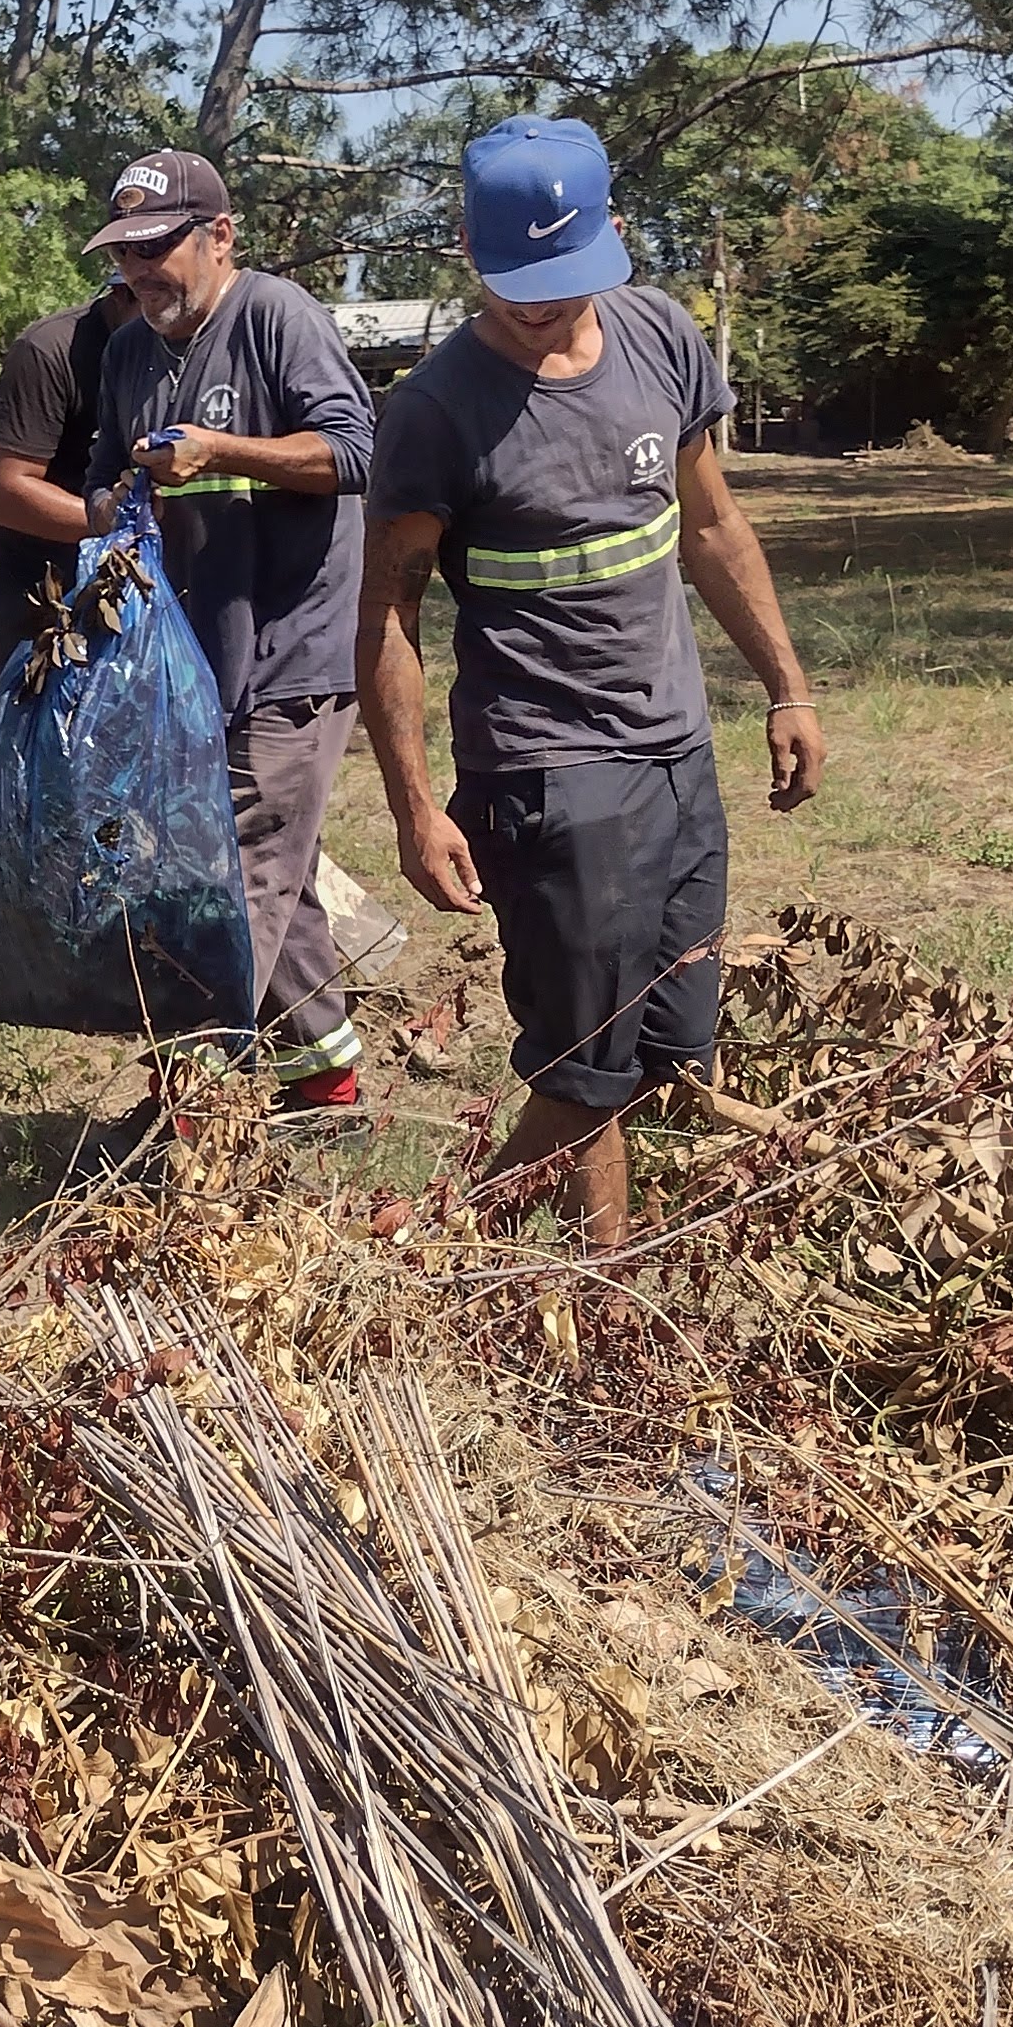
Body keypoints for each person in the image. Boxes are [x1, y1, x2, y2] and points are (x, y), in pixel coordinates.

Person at [359, 115, 824, 1248]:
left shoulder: (662, 336)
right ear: (465, 246)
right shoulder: (433, 411)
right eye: (515, 277)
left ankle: (480, 1245)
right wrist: (415, 809)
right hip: (549, 773)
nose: (539, 303)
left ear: (615, 235)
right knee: (587, 1061)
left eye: (563, 278)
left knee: (665, 1039)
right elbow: (386, 612)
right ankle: (569, 1290)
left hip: (675, 750)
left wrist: (787, 687)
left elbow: (710, 527)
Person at [78, 149, 378, 1122]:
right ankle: (327, 1088)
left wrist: (221, 450)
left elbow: (348, 452)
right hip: (181, 670)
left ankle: (190, 1112)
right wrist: (119, 503)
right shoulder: (127, 352)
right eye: (124, 255)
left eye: (157, 247)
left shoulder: (277, 317)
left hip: (290, 654)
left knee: (229, 884)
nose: (139, 272)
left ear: (218, 236)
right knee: (269, 883)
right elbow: (98, 489)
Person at [0, 271, 139, 711]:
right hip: (38, 605)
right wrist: (120, 521)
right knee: (13, 762)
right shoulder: (50, 351)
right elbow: (6, 489)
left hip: (141, 606)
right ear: (121, 292)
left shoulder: (184, 347)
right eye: (151, 297)